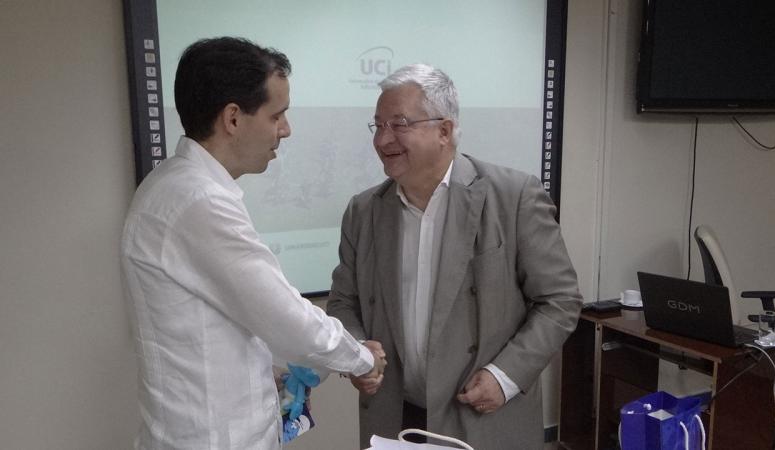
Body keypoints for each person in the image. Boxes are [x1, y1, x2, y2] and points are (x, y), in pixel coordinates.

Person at [120, 37, 385, 449]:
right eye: (276, 115)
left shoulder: (180, 186)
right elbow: (282, 313)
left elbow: (228, 320)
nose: (286, 129)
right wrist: (361, 359)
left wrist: (273, 364)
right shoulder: (197, 201)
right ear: (233, 118)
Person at [326, 64, 582, 449]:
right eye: (377, 126)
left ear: (444, 131)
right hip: (395, 416)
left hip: (482, 415)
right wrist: (356, 352)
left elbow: (560, 301)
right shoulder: (364, 211)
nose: (382, 140)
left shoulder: (513, 197)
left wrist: (505, 376)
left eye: (398, 124)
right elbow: (344, 302)